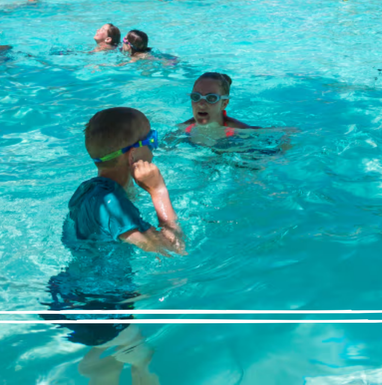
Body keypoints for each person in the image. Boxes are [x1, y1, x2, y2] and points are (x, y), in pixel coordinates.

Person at [44, 107, 179, 375]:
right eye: (152, 140)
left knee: (114, 355)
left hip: (70, 293)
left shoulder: (88, 190)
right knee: (143, 359)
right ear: (134, 155)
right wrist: (158, 190)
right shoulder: (112, 203)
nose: (155, 146)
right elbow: (173, 249)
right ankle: (97, 364)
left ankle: (98, 364)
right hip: (102, 305)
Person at [178, 72, 256, 138]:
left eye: (211, 98)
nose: (201, 104)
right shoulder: (181, 129)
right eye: (196, 97)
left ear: (224, 104)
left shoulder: (243, 132)